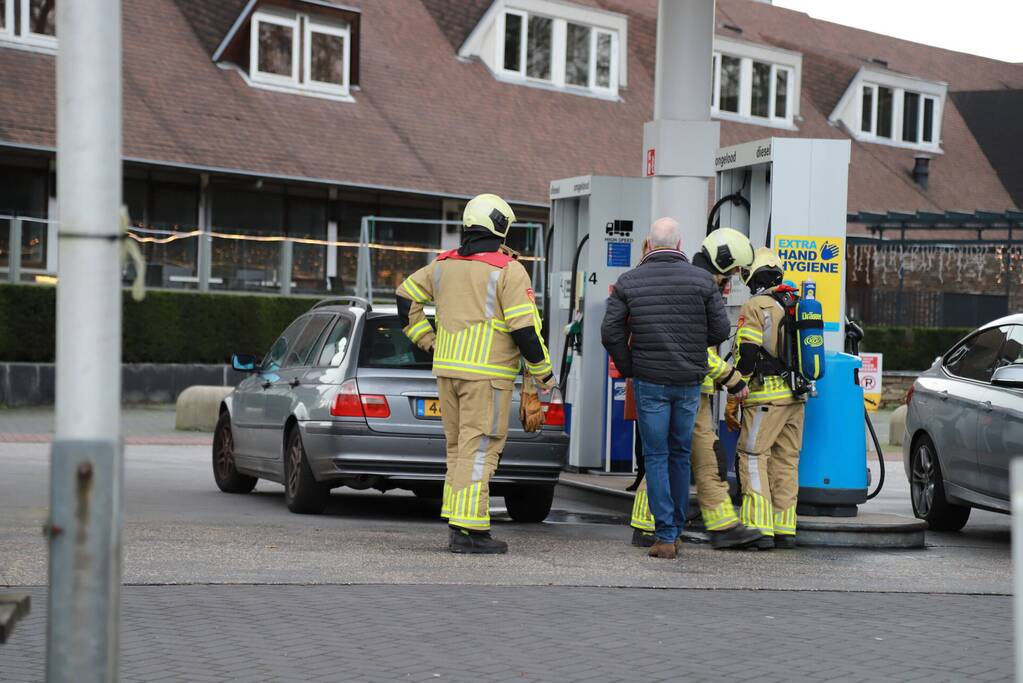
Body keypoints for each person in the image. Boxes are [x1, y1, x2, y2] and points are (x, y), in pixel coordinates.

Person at [396, 193, 554, 555]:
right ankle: (470, 530)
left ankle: (458, 522)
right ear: (500, 228)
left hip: (448, 371)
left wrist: (429, 342)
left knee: (458, 449)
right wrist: (543, 375)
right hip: (487, 376)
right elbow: (525, 330)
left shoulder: (443, 265)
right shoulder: (507, 270)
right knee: (480, 449)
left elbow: (405, 298)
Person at [602, 217, 730, 559]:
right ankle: (676, 529)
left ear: (648, 243)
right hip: (689, 382)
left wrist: (630, 366)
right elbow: (720, 330)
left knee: (656, 455)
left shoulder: (629, 281)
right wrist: (692, 347)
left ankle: (665, 535)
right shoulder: (703, 281)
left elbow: (610, 331)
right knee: (679, 454)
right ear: (679, 244)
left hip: (649, 381)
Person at [628, 228, 763, 551]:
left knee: (687, 458)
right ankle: (715, 526)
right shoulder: (698, 287)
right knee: (691, 458)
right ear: (722, 262)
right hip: (686, 388)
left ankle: (661, 524)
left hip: (689, 389)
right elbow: (693, 350)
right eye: (731, 272)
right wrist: (731, 377)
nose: (731, 280)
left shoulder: (693, 283)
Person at [729, 247, 806, 550]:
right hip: (796, 397)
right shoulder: (796, 302)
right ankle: (784, 528)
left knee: (752, 456)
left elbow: (748, 354)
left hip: (765, 398)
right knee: (786, 461)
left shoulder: (755, 306)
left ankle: (759, 527)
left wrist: (736, 386)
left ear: (752, 276)